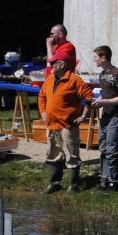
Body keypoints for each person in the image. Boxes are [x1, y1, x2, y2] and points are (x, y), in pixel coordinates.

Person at [38, 54, 94, 194]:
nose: (50, 66)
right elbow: (41, 96)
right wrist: (43, 112)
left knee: (71, 155)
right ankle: (54, 183)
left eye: (53, 63)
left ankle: (73, 186)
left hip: (67, 125)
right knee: (53, 154)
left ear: (62, 64)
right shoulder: (50, 79)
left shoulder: (74, 80)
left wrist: (83, 116)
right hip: (51, 124)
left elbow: (89, 98)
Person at [90, 45, 118, 194]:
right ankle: (104, 179)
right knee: (103, 149)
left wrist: (104, 102)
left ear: (103, 58)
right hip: (105, 116)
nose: (94, 60)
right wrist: (97, 101)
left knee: (112, 150)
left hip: (116, 116)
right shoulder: (102, 74)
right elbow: (106, 95)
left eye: (95, 57)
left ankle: (114, 182)